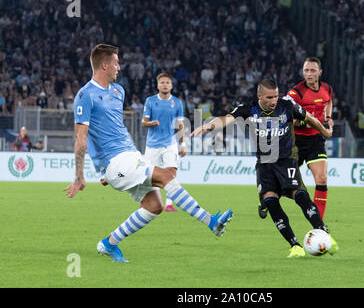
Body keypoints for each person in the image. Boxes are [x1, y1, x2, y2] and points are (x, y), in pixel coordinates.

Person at [64, 44, 233, 263]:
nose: (119, 67)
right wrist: (84, 173)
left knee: (155, 206)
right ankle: (211, 221)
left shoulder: (118, 91)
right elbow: (81, 139)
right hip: (115, 162)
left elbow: (113, 128)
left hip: (130, 156)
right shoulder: (85, 95)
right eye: (115, 63)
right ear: (104, 65)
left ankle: (109, 243)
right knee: (167, 177)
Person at [191, 78, 338, 258]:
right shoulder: (248, 109)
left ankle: (324, 234)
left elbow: (309, 118)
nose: (274, 100)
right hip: (264, 165)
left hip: (286, 161)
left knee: (300, 196)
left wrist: (325, 131)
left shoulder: (287, 106)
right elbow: (226, 119)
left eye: (276, 96)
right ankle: (295, 245)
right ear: (259, 96)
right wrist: (208, 125)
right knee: (270, 201)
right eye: (269, 97)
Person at [286, 57, 333, 219]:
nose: (309, 74)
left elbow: (329, 102)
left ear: (320, 72)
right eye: (306, 70)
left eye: (313, 70)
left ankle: (318, 224)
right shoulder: (295, 93)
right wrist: (306, 123)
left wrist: (327, 117)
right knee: (283, 180)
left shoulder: (327, 88)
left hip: (315, 141)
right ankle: (266, 200)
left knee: (321, 178)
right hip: (295, 142)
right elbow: (287, 119)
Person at [141, 72, 186, 212]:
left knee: (171, 172)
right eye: (162, 82)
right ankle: (146, 201)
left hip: (170, 144)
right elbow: (143, 122)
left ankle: (169, 203)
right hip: (152, 145)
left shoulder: (177, 103)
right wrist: (151, 123)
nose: (165, 85)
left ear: (171, 85)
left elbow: (180, 125)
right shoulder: (150, 101)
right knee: (148, 176)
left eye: (167, 82)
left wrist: (182, 144)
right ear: (158, 85)